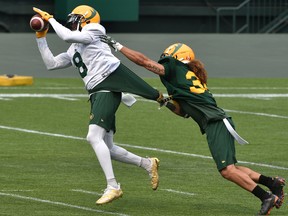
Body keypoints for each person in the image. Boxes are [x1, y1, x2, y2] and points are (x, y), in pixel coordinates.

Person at [100, 35, 285, 215]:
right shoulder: (184, 77)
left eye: (167, 59)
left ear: (177, 59)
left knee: (227, 171)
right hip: (217, 122)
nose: (164, 63)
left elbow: (144, 62)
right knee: (232, 169)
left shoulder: (175, 68)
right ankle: (272, 183)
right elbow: (184, 112)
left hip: (215, 122)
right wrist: (164, 101)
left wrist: (117, 46)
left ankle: (265, 197)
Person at [32, 5, 163, 205]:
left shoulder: (95, 30)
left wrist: (50, 20)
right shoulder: (75, 46)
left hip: (107, 86)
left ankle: (113, 186)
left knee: (93, 137)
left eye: (75, 19)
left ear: (85, 20)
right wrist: (41, 37)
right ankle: (147, 163)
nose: (71, 22)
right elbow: (52, 64)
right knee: (107, 146)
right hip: (96, 92)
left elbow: (67, 36)